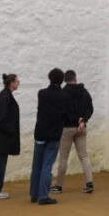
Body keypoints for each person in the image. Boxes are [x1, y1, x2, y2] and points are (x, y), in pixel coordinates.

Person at [51, 69, 95, 194]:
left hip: (67, 128)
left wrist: (75, 120)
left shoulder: (62, 93)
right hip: (82, 127)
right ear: (75, 78)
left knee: (63, 157)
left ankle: (59, 186)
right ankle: (89, 183)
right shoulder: (84, 91)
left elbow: (62, 112)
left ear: (65, 80)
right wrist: (83, 121)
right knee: (84, 156)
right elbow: (90, 108)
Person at [31, 67, 70, 204]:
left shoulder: (41, 93)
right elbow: (65, 115)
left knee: (37, 165)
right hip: (53, 135)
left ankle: (34, 194)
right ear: (61, 80)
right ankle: (43, 196)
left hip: (40, 133)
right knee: (47, 166)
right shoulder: (64, 96)